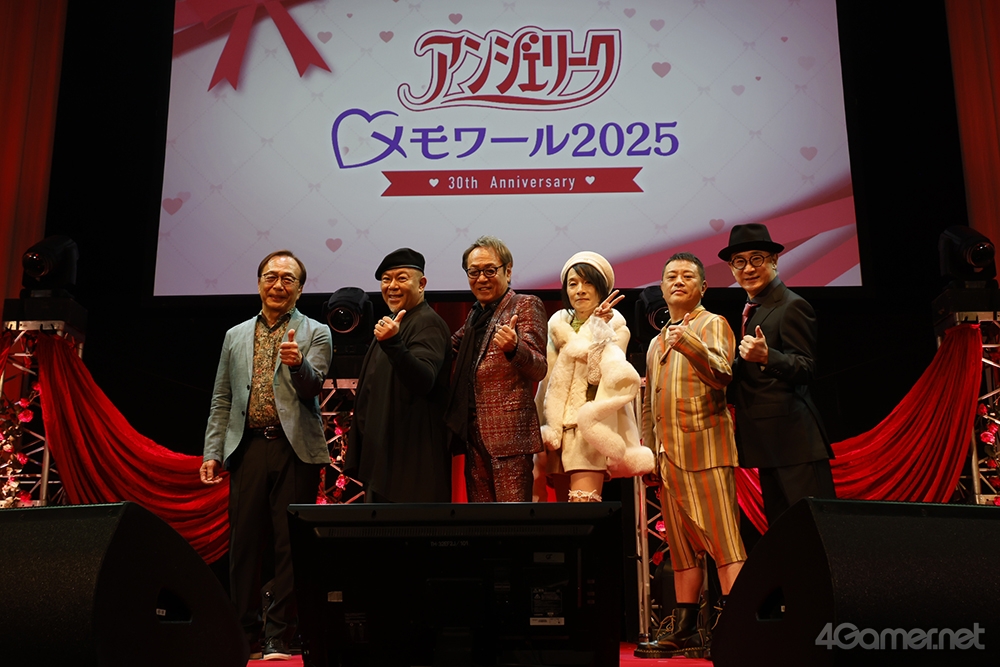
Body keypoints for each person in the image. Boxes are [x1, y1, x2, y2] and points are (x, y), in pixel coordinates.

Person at [200, 250, 332, 661]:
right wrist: (213, 451)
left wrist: (298, 365)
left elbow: (313, 388)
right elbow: (222, 398)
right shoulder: (236, 335)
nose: (278, 285)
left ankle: (279, 635)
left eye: (288, 279)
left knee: (289, 547)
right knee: (243, 545)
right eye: (271, 276)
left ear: (300, 289)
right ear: (259, 283)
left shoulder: (317, 332)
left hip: (295, 450)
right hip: (248, 447)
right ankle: (244, 633)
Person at [638, 252, 746, 659]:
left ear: (703, 286)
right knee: (682, 547)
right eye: (671, 276)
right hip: (668, 457)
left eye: (687, 276)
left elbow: (722, 372)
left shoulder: (712, 323)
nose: (678, 281)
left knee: (724, 542)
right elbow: (650, 404)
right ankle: (684, 629)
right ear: (662, 287)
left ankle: (735, 628)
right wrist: (649, 454)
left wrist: (687, 342)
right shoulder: (655, 342)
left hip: (706, 450)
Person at [718, 223, 835, 527]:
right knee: (785, 535)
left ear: (774, 261)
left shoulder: (792, 305)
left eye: (756, 258)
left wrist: (768, 357)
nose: (748, 268)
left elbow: (806, 367)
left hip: (794, 442)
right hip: (766, 443)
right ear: (731, 269)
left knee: (815, 530)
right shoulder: (753, 308)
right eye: (739, 262)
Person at [534, 251, 654, 502]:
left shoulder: (616, 327)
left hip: (588, 430)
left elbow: (598, 376)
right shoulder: (556, 326)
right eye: (573, 283)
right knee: (560, 514)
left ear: (601, 288)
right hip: (557, 431)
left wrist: (599, 330)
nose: (580, 290)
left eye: (588, 282)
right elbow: (547, 383)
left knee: (583, 507)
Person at [444, 235, 548, 502]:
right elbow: (447, 348)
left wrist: (514, 348)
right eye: (474, 272)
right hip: (472, 433)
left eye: (490, 270)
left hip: (509, 438)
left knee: (513, 519)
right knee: (482, 520)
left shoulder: (525, 304)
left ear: (507, 271)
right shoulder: (475, 314)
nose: (481, 278)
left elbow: (539, 368)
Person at [345, 248, 452, 502]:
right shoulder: (393, 323)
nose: (392, 286)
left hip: (411, 469)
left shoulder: (427, 322)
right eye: (386, 280)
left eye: (401, 278)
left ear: (421, 284)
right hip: (385, 464)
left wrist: (393, 343)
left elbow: (424, 380)